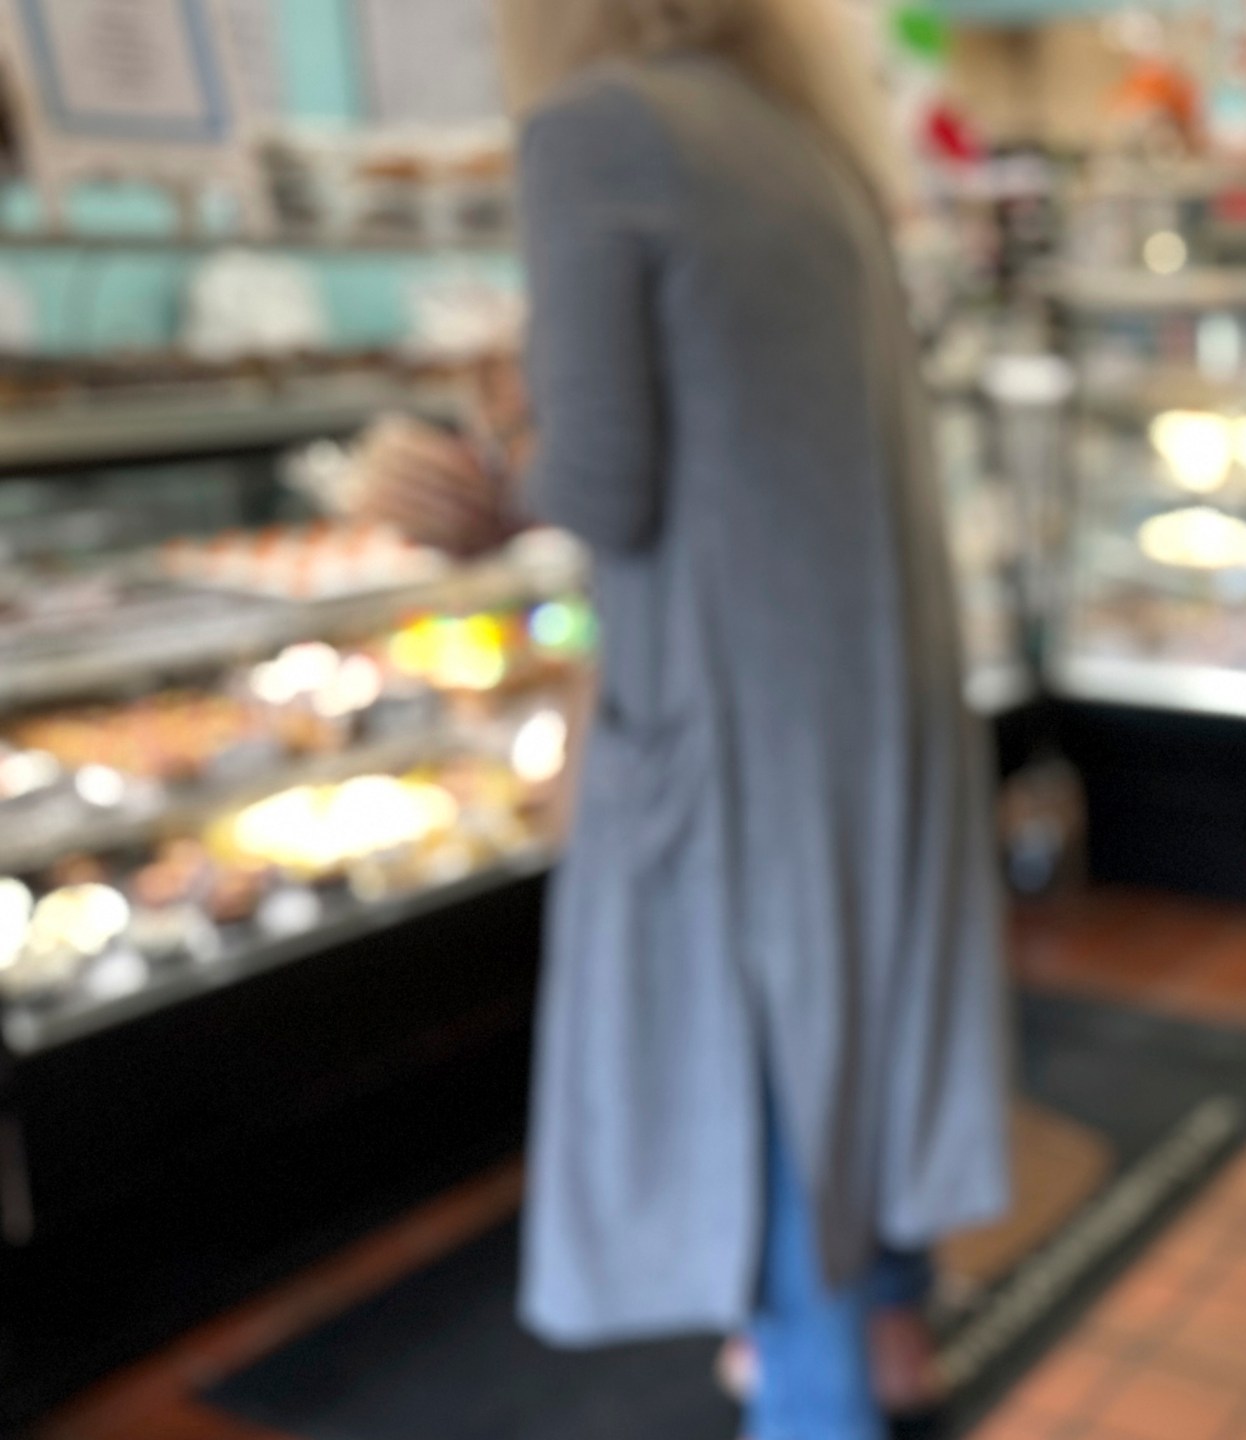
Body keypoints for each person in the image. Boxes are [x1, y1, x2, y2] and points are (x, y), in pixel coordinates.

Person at [347, 1, 1012, 1436]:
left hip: (734, 724)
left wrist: (474, 472)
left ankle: (818, 1396)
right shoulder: (803, 133)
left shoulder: (597, 131)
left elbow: (602, 482)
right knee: (861, 1039)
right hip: (865, 692)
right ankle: (889, 1338)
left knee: (763, 1100)